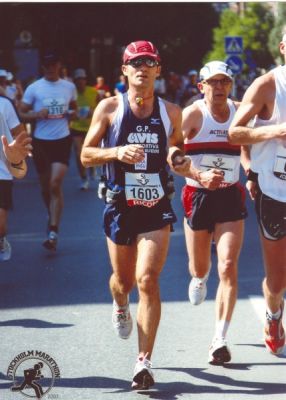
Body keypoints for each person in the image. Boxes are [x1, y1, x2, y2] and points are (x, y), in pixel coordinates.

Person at [81, 40, 193, 390]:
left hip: (156, 203)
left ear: (158, 69)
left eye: (149, 62)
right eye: (135, 62)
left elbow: (176, 145)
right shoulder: (109, 108)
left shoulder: (172, 110)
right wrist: (115, 151)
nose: (142, 67)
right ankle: (119, 303)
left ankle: (143, 362)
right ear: (124, 71)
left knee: (147, 279)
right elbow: (85, 155)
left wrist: (177, 158)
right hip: (119, 204)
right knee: (124, 282)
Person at [181, 61, 248, 364]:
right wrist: (199, 175)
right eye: (213, 82)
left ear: (231, 86)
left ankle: (219, 339)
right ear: (201, 86)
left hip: (230, 196)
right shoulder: (193, 115)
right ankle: (198, 277)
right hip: (197, 196)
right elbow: (173, 156)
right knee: (200, 268)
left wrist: (252, 173)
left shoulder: (239, 110)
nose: (219, 88)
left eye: (225, 82)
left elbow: (248, 144)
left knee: (228, 264)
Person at [228, 34, 286, 355]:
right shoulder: (268, 86)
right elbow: (235, 131)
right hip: (275, 191)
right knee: (277, 282)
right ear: (282, 47)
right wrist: (275, 131)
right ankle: (274, 312)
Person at [19, 51, 77, 251]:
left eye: (54, 64)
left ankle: (53, 230)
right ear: (43, 67)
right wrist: (36, 114)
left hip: (62, 139)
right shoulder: (34, 88)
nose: (51, 68)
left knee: (55, 184)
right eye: (47, 65)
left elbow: (74, 109)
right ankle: (51, 213)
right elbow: (21, 112)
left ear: (59, 65)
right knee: (45, 188)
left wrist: (71, 114)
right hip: (41, 141)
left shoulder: (69, 86)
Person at [0, 95, 32, 261]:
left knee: (0, 226)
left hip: (1, 172)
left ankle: (1, 239)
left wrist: (20, 151)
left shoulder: (4, 104)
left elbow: (20, 134)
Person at [70, 68, 99, 190]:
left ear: (85, 80)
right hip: (76, 127)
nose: (80, 82)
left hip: (91, 127)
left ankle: (91, 169)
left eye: (82, 79)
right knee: (78, 153)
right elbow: (68, 108)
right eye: (77, 80)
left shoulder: (93, 92)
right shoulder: (71, 93)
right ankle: (84, 179)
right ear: (74, 81)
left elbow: (101, 108)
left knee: (90, 151)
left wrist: (94, 111)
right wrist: (73, 113)